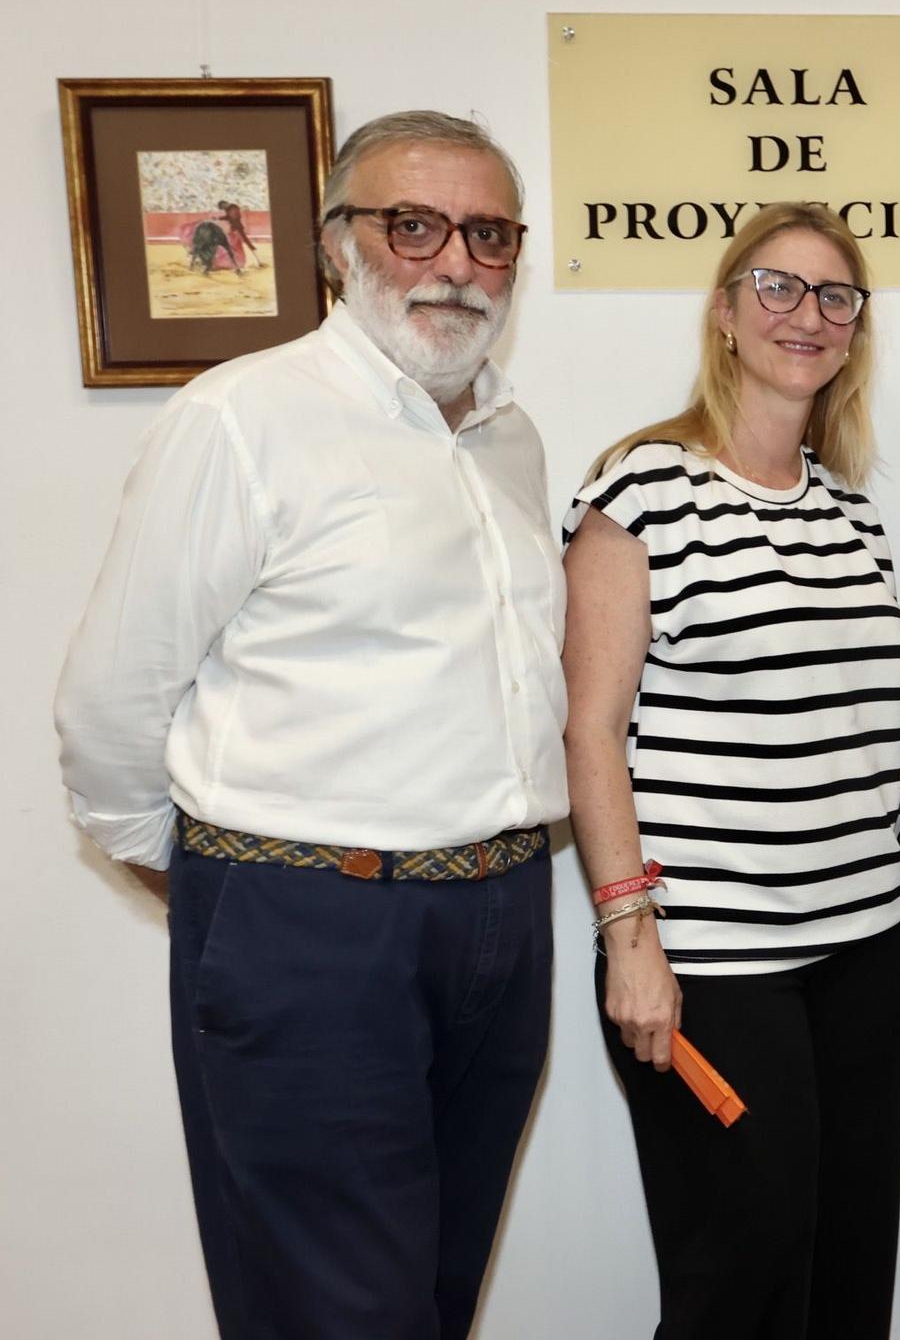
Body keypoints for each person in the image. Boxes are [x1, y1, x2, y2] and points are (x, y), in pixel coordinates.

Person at [54, 110, 561, 1340]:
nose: (453, 261)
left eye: (487, 233)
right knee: (333, 1313)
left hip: (498, 911)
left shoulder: (509, 439)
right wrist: (231, 889)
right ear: (340, 246)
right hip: (310, 921)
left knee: (433, 1295)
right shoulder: (243, 419)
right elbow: (112, 701)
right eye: (413, 224)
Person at [562, 201, 900, 1340]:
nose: (805, 315)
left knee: (847, 1262)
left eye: (834, 296)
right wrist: (631, 937)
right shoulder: (641, 489)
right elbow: (589, 730)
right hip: (712, 958)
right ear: (724, 313)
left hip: (871, 936)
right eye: (776, 286)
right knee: (742, 1274)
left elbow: (872, 693)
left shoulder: (849, 513)